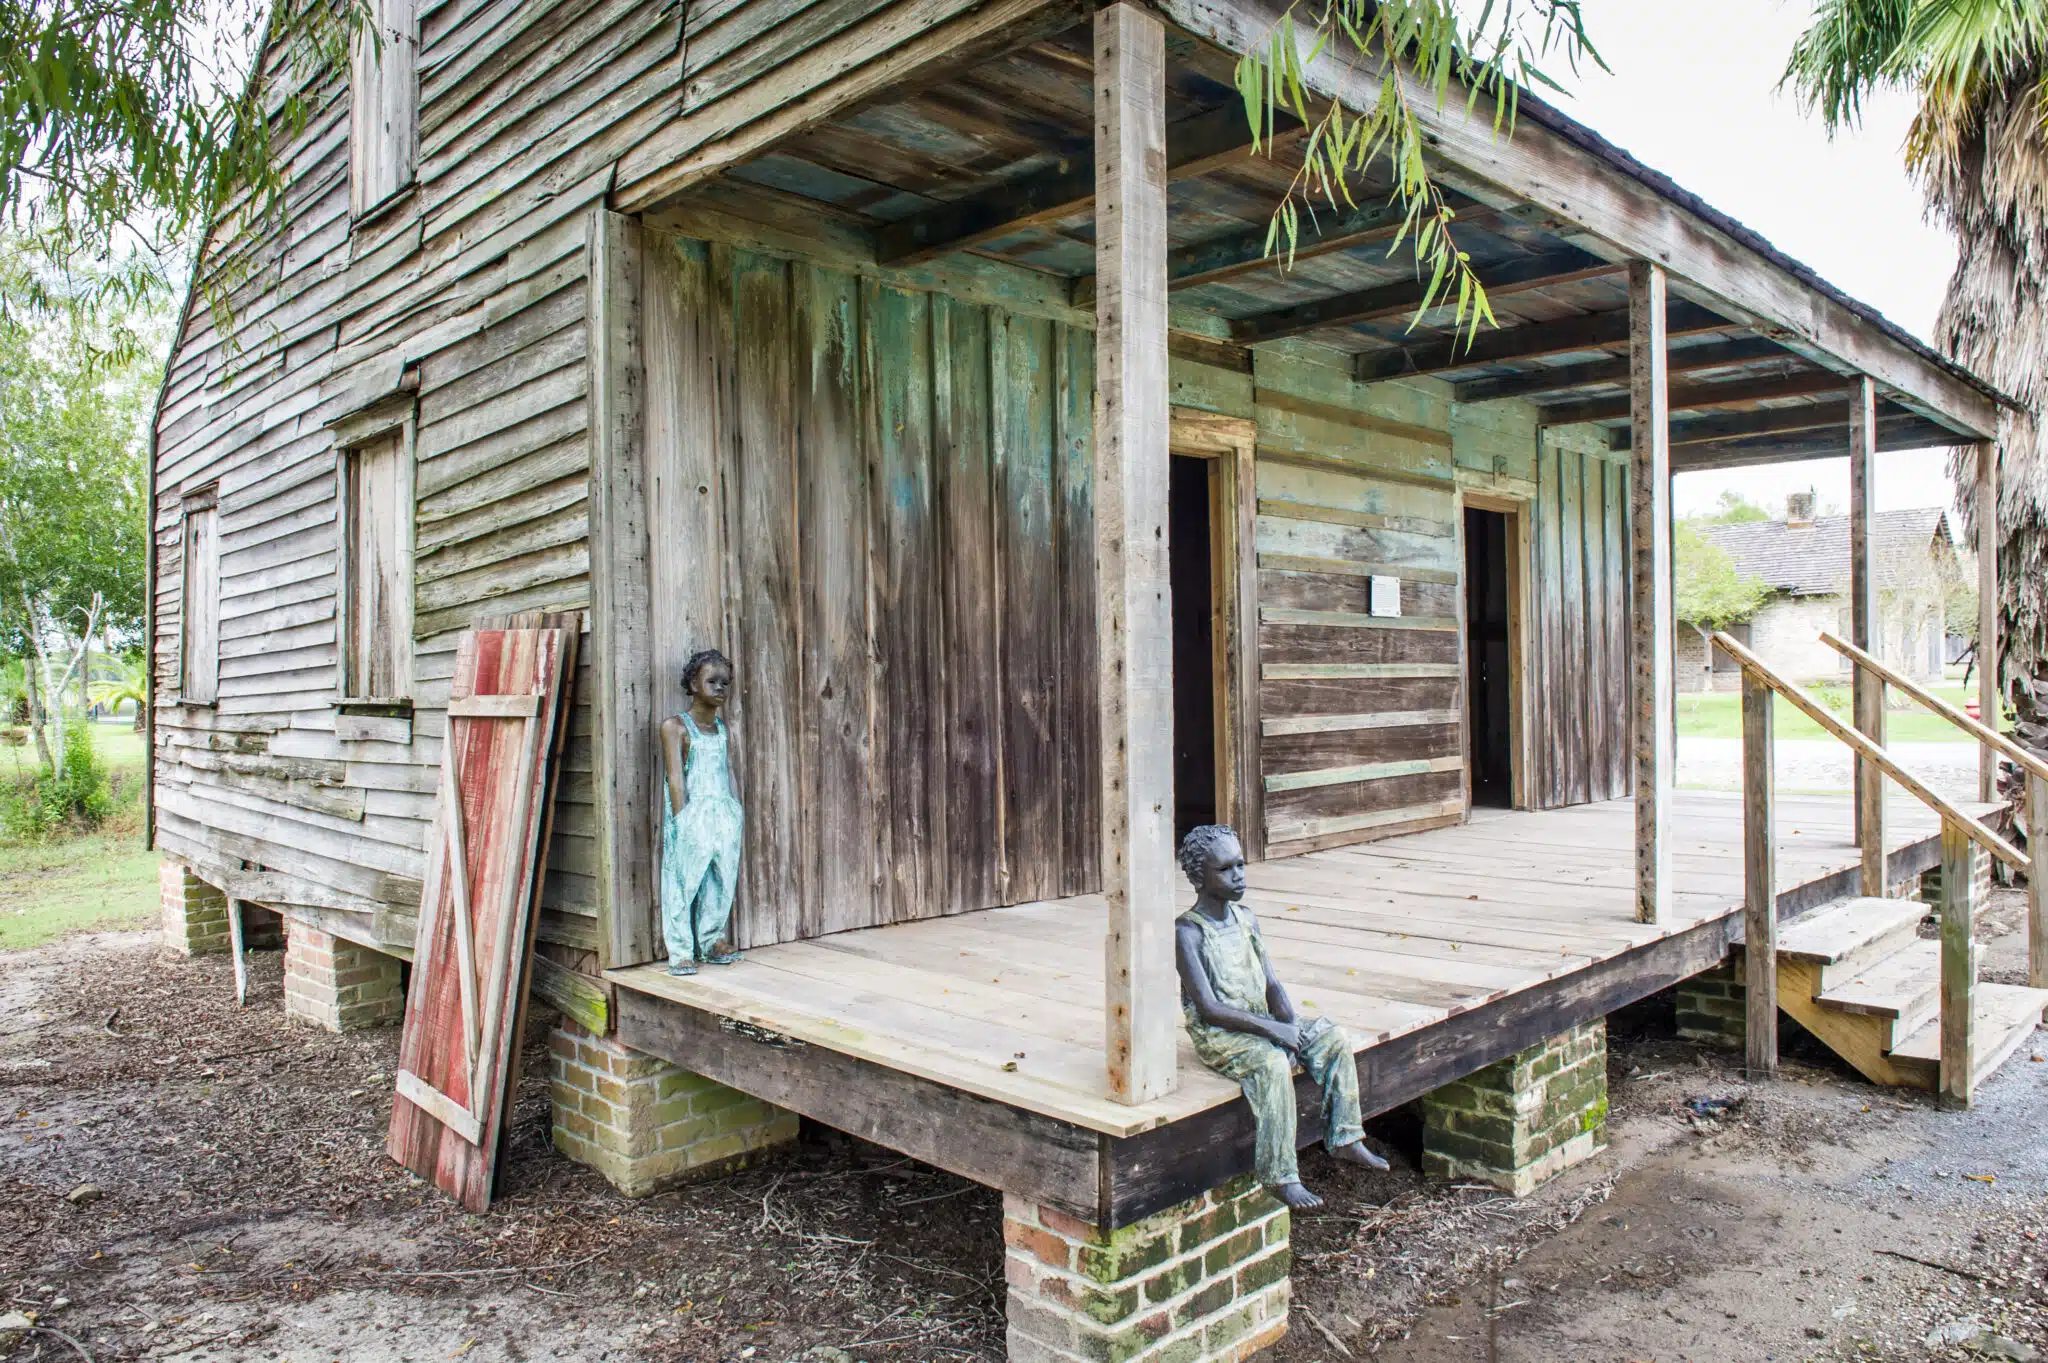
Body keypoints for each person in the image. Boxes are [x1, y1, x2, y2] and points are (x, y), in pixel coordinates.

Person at [1174, 823, 1387, 1209]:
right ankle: (1279, 1174)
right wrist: (1276, 1036)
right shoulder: (1188, 931)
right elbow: (1210, 1008)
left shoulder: (1246, 919)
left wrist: (1288, 1026)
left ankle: (1346, 1135)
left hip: (1261, 1020)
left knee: (1332, 1037)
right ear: (1197, 876)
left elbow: (1272, 984)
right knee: (1272, 1065)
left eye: (1240, 865)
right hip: (1221, 1034)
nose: (1237, 875)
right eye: (1224, 869)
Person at [658, 649, 744, 976]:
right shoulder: (676, 727)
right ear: (693, 684)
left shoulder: (722, 729)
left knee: (721, 880)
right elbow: (675, 777)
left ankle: (710, 941)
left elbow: (728, 770)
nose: (720, 688)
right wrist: (683, 819)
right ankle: (680, 950)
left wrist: (735, 810)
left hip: (723, 813)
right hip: (693, 814)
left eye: (725, 682)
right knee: (682, 881)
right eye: (712, 681)